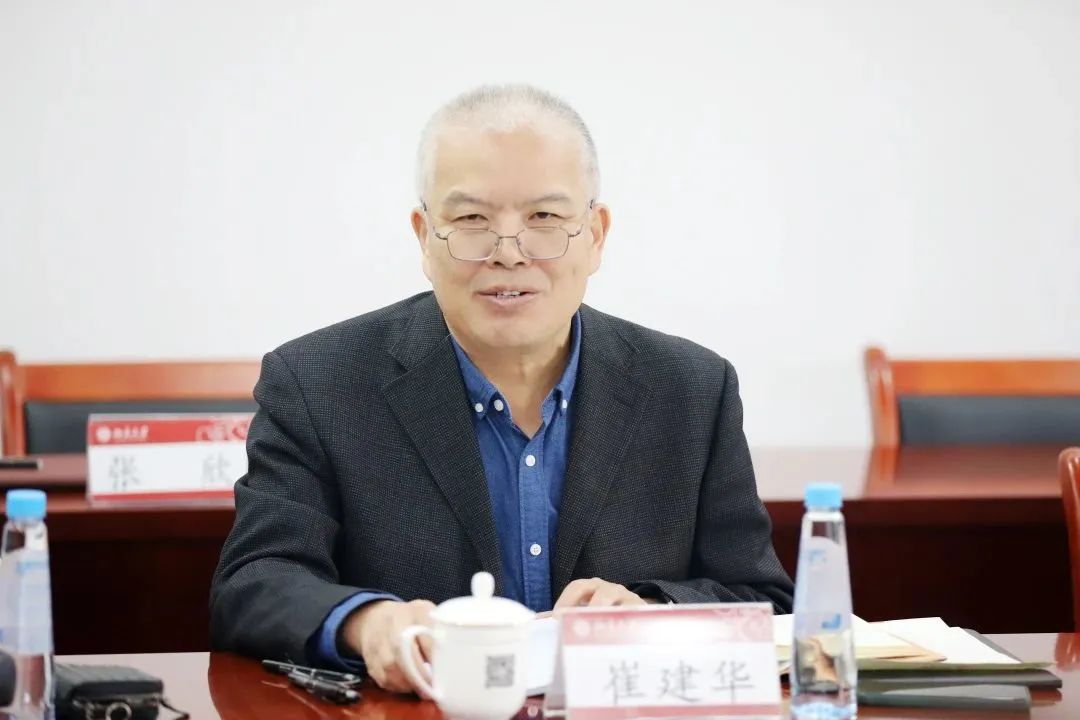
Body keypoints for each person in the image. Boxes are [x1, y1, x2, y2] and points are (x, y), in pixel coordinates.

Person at [210, 84, 793, 695]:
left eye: (545, 218)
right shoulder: (317, 382)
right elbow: (253, 584)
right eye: (471, 220)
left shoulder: (690, 389)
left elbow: (764, 603)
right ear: (423, 236)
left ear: (596, 234)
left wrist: (650, 615)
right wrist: (366, 623)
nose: (509, 253)